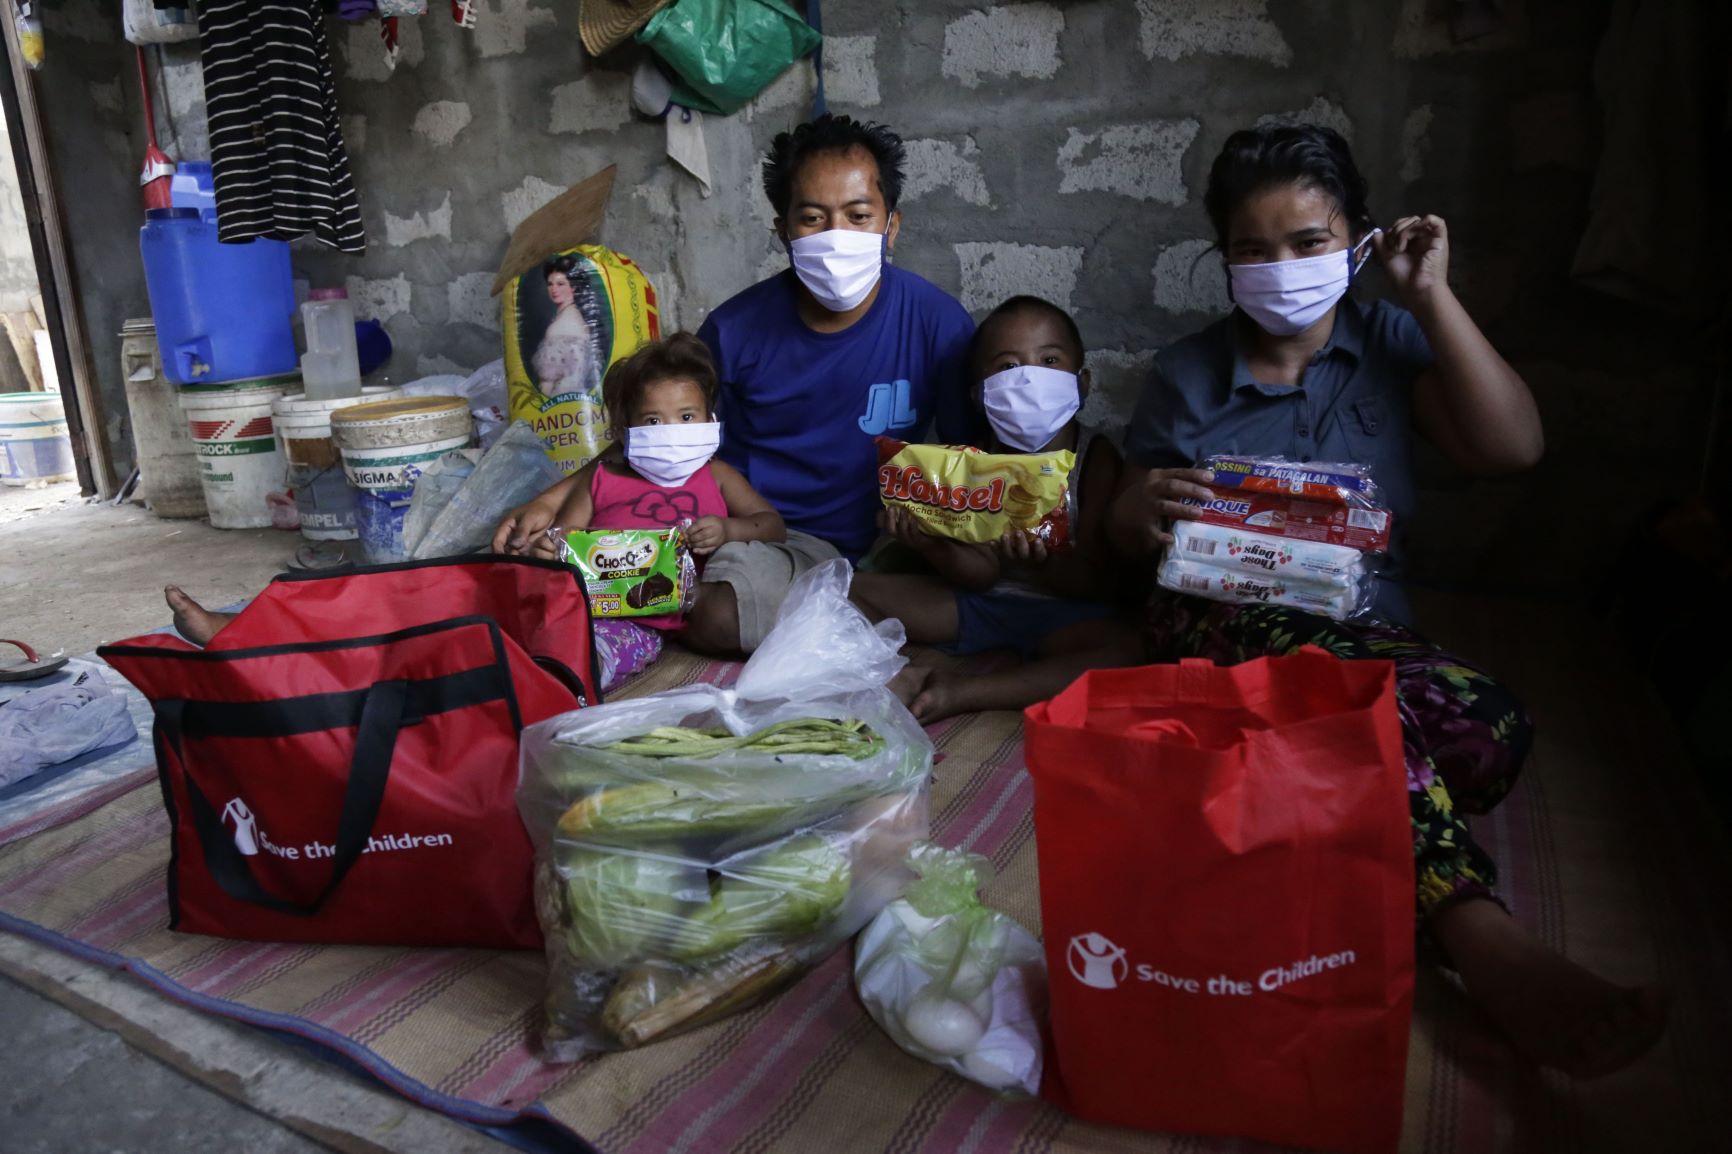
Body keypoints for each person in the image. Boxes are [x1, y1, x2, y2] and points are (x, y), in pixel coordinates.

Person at [1110, 122, 1667, 1077]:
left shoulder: (1394, 343)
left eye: (1308, 243)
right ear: (1223, 260)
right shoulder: (1187, 377)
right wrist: (1132, 508)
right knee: (1336, 699)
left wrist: (1432, 295)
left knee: (1489, 727)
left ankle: (1304, 807)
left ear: (1359, 241)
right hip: (1223, 628)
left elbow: (1513, 448)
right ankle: (1479, 936)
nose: (1279, 268)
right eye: (1252, 250)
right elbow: (1131, 540)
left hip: (1369, 633)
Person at [497, 113, 977, 656]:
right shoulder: (736, 328)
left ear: (891, 226)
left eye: (859, 215)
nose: (837, 236)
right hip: (754, 536)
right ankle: (830, 609)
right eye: (814, 218)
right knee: (713, 611)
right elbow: (657, 428)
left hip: (884, 547)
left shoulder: (937, 323)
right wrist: (552, 497)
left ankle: (837, 602)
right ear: (783, 231)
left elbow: (965, 461)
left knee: (974, 601)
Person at [850, 296, 1138, 721]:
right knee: (843, 588)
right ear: (978, 394)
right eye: (1007, 367)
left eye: (1050, 360)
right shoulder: (972, 462)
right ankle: (903, 673)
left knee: (1130, 652)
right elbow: (978, 575)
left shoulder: (1095, 458)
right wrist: (930, 542)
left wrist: (1045, 567)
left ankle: (965, 690)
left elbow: (1097, 581)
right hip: (978, 607)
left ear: (1083, 381)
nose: (1028, 379)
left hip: (1066, 616)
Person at [520, 334, 784, 690]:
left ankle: (571, 669)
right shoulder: (600, 479)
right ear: (625, 428)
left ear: (710, 417)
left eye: (687, 416)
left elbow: (771, 525)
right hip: (617, 613)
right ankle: (558, 675)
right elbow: (564, 538)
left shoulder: (719, 476)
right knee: (574, 636)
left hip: (692, 611)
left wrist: (727, 530)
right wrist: (551, 551)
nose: (672, 432)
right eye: (653, 421)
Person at [531, 255, 600, 404]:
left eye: (560, 284)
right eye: (550, 284)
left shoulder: (562, 324)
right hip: (576, 399)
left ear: (573, 287)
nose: (554, 289)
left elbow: (547, 383)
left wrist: (540, 407)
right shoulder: (572, 315)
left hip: (561, 399)